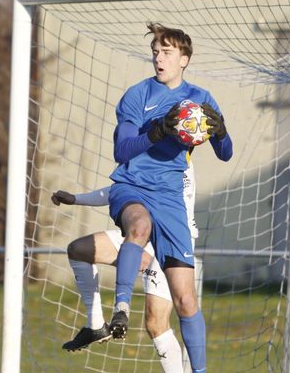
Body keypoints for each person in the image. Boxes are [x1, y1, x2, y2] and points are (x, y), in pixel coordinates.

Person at [108, 22, 232, 373]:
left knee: (187, 299)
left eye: (166, 52)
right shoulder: (138, 95)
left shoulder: (200, 99)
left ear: (184, 59)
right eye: (155, 52)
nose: (158, 58)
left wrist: (219, 130)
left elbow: (225, 153)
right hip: (131, 185)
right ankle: (120, 307)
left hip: (170, 199)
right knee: (139, 225)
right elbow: (122, 149)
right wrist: (158, 130)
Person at [53, 159, 198, 373]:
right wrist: (76, 199)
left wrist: (146, 251)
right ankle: (95, 326)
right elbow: (119, 190)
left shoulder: (177, 159)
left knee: (155, 323)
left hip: (170, 241)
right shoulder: (148, 147)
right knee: (79, 250)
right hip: (139, 235)